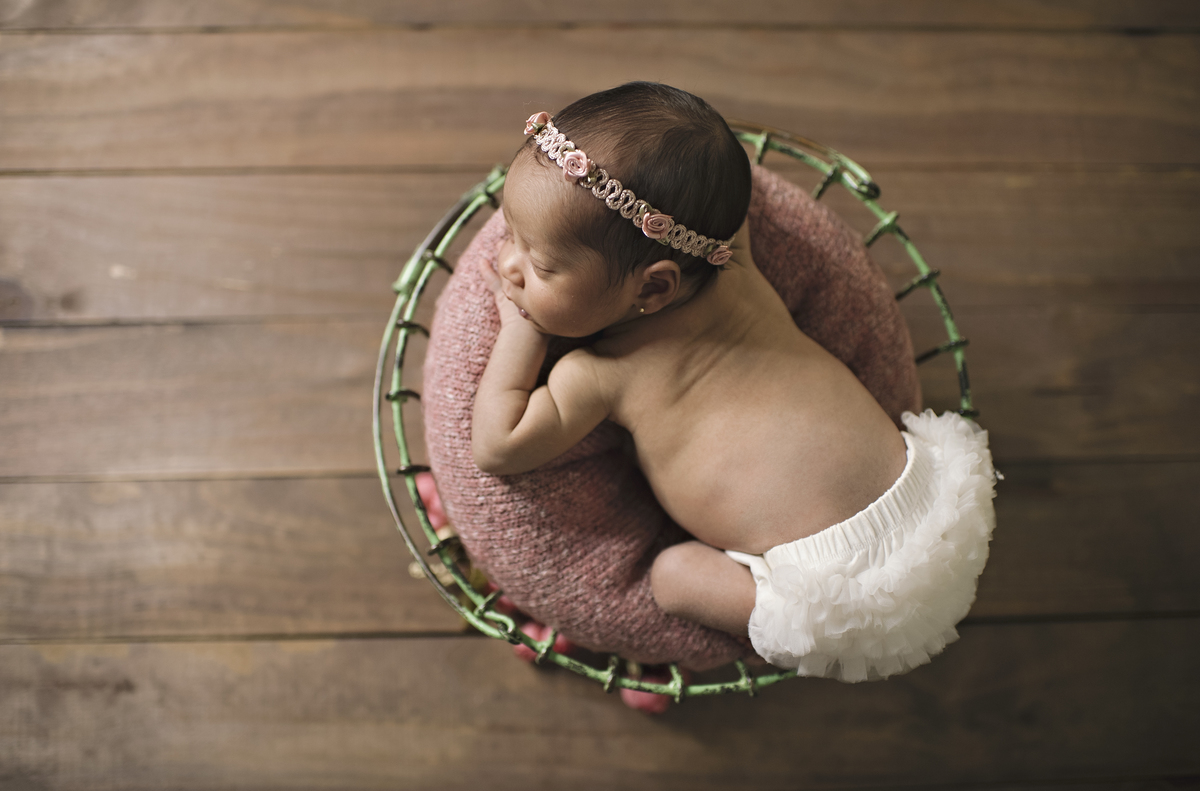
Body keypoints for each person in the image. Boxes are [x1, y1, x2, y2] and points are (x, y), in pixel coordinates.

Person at [471, 82, 997, 682]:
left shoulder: (599, 375)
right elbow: (721, 174)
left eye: (539, 266)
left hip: (833, 597)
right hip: (933, 506)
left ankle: (767, 632)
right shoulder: (733, 262)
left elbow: (498, 446)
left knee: (671, 577)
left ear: (653, 288)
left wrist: (521, 330)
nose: (507, 264)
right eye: (511, 235)